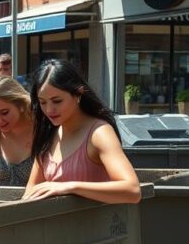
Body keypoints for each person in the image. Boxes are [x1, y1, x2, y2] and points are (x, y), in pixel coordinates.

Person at [23, 59, 141, 204]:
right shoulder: (47, 134)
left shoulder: (99, 133)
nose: (49, 110)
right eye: (42, 102)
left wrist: (71, 187)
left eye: (57, 101)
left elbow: (132, 191)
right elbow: (30, 193)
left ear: (78, 94)